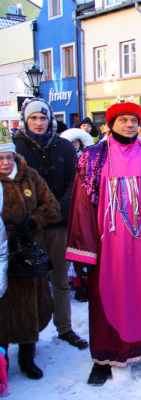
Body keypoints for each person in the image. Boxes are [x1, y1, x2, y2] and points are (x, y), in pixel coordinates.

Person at [66, 100, 141, 385]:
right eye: (123, 120)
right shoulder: (93, 157)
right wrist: (84, 249)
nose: (130, 125)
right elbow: (82, 204)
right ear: (109, 124)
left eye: (133, 120)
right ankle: (104, 357)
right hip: (110, 244)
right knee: (109, 295)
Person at [13, 98, 88, 350]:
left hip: (59, 224)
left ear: (50, 120)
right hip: (29, 226)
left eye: (43, 118)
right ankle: (29, 335)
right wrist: (36, 215)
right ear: (25, 120)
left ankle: (64, 327)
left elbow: (74, 183)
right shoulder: (15, 147)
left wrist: (58, 210)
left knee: (60, 279)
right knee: (30, 281)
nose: (38, 122)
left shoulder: (64, 146)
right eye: (33, 118)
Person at [0, 126, 59, 380]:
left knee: (31, 304)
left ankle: (27, 355)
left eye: (8, 157)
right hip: (2, 254)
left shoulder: (30, 176)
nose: (5, 162)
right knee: (4, 305)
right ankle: (2, 358)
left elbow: (52, 205)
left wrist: (34, 221)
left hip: (29, 251)